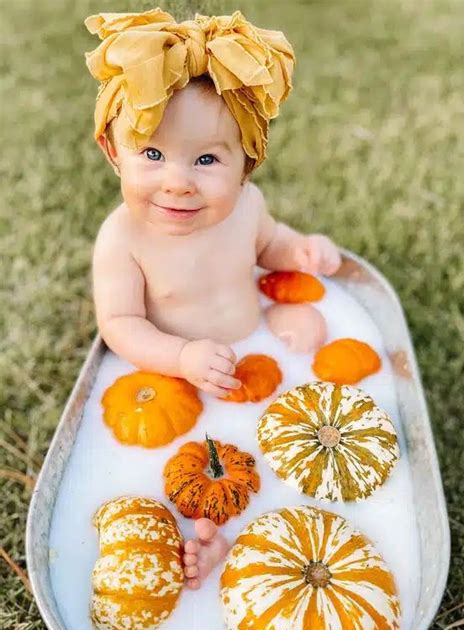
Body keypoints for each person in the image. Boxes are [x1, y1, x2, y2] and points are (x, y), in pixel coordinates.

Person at [85, 7, 341, 589]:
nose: (178, 180)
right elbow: (120, 324)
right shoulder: (122, 239)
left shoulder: (245, 209)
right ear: (112, 150)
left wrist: (300, 252)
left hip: (256, 360)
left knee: (268, 458)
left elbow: (269, 244)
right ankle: (202, 542)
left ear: (246, 165)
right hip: (173, 382)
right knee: (184, 469)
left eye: (206, 160)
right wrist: (180, 358)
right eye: (152, 154)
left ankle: (261, 531)